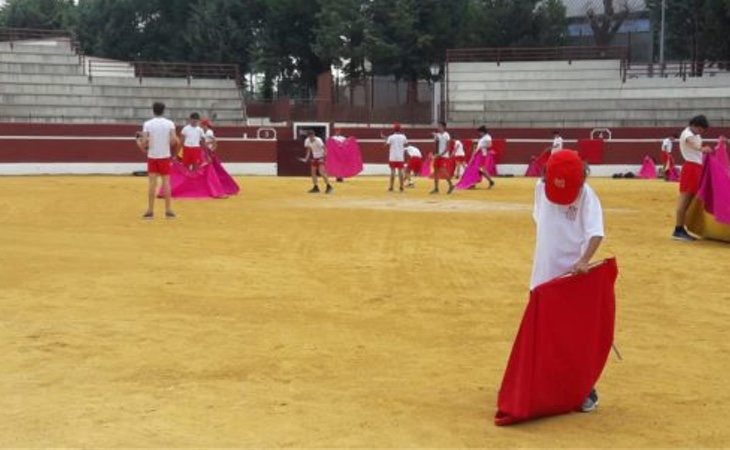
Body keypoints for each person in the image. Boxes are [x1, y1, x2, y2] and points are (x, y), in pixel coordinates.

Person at [531, 149, 605, 412]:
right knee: (543, 336)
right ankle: (545, 386)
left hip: (572, 279)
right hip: (542, 276)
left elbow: (595, 232)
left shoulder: (586, 195)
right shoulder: (540, 189)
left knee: (572, 338)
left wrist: (584, 260)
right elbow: (542, 224)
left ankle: (584, 389)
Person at [673, 115, 715, 241]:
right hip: (691, 168)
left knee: (691, 200)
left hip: (696, 168)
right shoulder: (687, 134)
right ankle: (678, 229)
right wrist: (702, 149)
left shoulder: (695, 134)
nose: (701, 132)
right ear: (695, 125)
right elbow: (692, 144)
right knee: (685, 199)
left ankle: (682, 228)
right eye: (701, 129)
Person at [136, 102, 178, 220]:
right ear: (163, 110)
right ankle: (168, 210)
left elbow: (144, 142)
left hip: (153, 156)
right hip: (165, 156)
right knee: (166, 183)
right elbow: (174, 139)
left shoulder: (148, 124)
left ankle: (150, 211)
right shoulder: (169, 123)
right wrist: (167, 145)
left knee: (152, 184)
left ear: (153, 110)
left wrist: (139, 144)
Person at [304, 130, 333, 194]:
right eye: (310, 136)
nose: (311, 137)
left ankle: (329, 186)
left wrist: (323, 158)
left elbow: (325, 149)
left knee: (321, 172)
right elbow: (308, 150)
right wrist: (306, 158)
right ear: (308, 136)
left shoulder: (318, 140)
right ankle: (316, 187)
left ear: (314, 135)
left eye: (312, 136)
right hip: (315, 158)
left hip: (321, 157)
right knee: (313, 173)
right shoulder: (307, 141)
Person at [431, 121, 455, 195]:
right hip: (438, 155)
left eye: (440, 126)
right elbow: (436, 144)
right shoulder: (438, 135)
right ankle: (436, 188)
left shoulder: (446, 135)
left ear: (443, 127)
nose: (438, 127)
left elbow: (447, 148)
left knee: (443, 170)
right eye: (438, 126)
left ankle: (451, 185)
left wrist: (440, 154)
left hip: (443, 156)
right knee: (436, 171)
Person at [385, 123, 408, 192]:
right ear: (400, 129)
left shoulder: (391, 137)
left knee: (392, 171)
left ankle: (391, 187)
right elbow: (406, 143)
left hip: (392, 156)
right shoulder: (403, 137)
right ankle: (401, 187)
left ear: (394, 129)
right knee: (400, 171)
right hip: (400, 156)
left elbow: (386, 144)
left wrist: (386, 139)